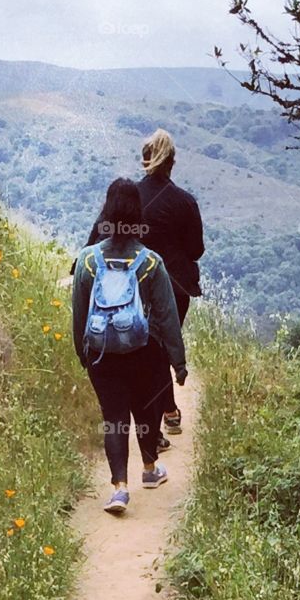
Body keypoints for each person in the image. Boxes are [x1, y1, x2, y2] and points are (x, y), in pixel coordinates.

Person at [72, 178, 187, 514]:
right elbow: (166, 317)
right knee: (144, 411)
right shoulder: (151, 262)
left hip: (102, 353)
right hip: (144, 352)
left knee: (114, 418)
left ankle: (119, 489)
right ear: (138, 214)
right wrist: (178, 364)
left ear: (107, 213)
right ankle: (150, 470)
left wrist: (84, 352)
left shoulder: (88, 261)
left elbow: (79, 312)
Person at [85, 129, 204, 445]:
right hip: (176, 285)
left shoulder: (128, 199)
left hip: (132, 282)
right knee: (161, 346)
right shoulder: (185, 202)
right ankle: (165, 412)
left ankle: (162, 413)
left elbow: (99, 235)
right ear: (172, 163)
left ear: (145, 159)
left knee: (145, 349)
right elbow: (196, 250)